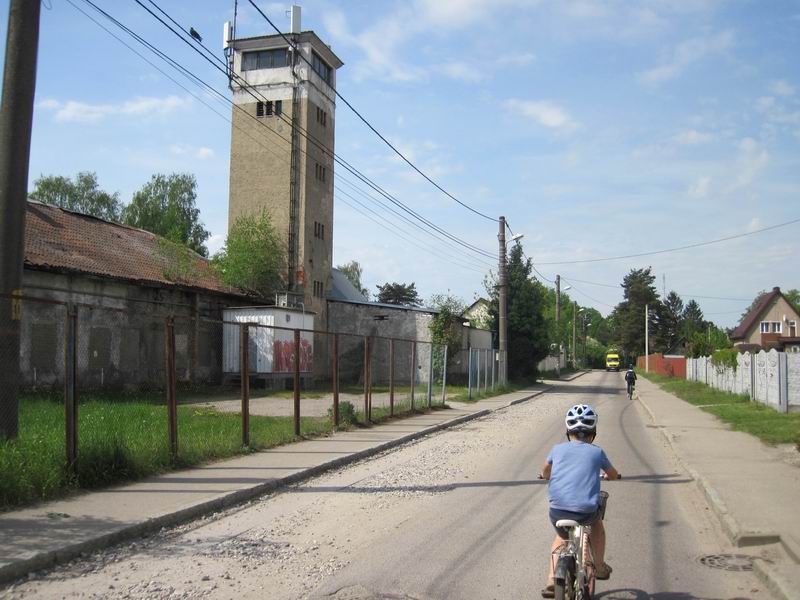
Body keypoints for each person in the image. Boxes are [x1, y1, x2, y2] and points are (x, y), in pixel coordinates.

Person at [540, 404, 620, 598]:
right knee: (597, 526)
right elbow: (613, 474)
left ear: (569, 431)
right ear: (593, 432)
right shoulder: (597, 452)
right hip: (586, 511)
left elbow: (545, 472)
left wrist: (545, 476)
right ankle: (599, 567)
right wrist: (613, 477)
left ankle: (552, 579)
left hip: (557, 510)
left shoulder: (557, 449)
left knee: (561, 538)